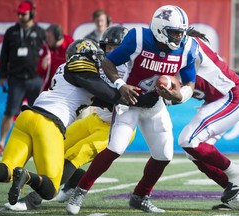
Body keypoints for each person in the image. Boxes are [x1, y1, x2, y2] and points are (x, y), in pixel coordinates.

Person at [66, 5, 199, 215]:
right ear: (159, 28)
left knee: (164, 155)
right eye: (174, 33)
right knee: (115, 148)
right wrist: (121, 85)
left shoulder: (188, 47)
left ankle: (140, 196)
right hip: (130, 101)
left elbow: (191, 81)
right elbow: (109, 62)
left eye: (181, 33)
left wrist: (181, 95)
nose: (179, 38)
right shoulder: (138, 38)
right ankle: (80, 191)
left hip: (154, 104)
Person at [3, 25, 137, 211]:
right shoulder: (102, 63)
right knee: (60, 148)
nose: (111, 52)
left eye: (116, 48)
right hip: (95, 119)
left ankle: (32, 200)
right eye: (108, 47)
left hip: (116, 126)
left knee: (76, 155)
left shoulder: (134, 69)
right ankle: (72, 183)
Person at [157, 28, 239, 210]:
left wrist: (173, 94)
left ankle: (236, 172)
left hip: (232, 95)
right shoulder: (181, 51)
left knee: (188, 140)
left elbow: (185, 86)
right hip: (217, 100)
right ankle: (238, 198)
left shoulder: (190, 49)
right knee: (192, 150)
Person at [0, 0, 45, 156]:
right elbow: (4, 55)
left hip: (36, 79)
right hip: (16, 79)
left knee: (40, 113)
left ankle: (39, 143)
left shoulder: (40, 33)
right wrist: (2, 75)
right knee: (10, 112)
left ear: (32, 14)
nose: (21, 16)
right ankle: (1, 143)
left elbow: (48, 55)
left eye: (24, 13)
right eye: (19, 13)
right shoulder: (11, 32)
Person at [38, 24, 74, 91]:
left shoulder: (71, 46)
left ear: (58, 37)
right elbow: (39, 70)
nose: (47, 40)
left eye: (49, 37)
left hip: (67, 86)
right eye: (46, 37)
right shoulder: (46, 47)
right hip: (51, 88)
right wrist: (43, 67)